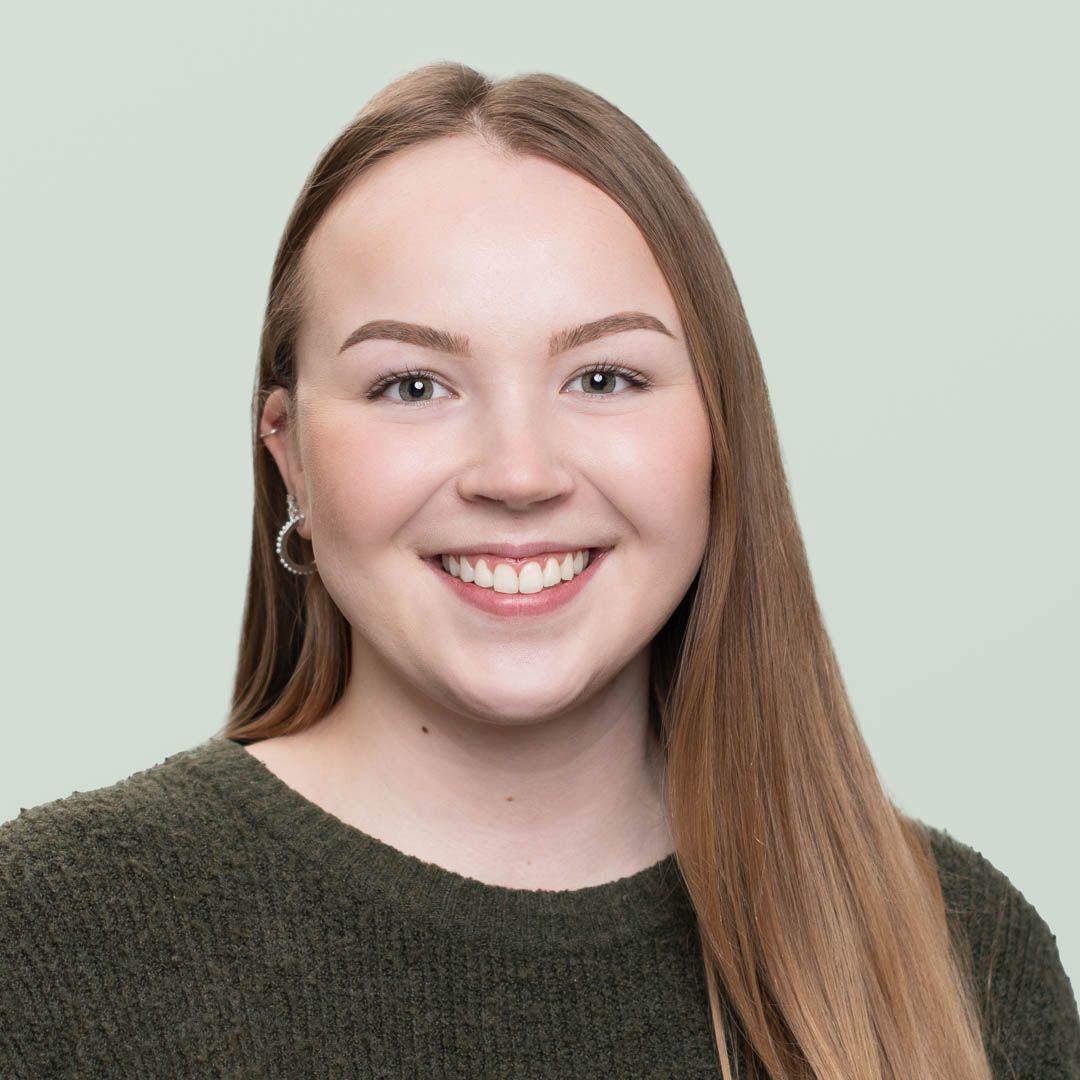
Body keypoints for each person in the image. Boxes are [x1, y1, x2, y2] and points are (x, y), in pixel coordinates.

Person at [2, 62, 1077, 1080]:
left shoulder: (965, 954)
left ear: (720, 435)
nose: (517, 473)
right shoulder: (43, 942)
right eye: (413, 386)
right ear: (289, 456)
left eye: (605, 376)